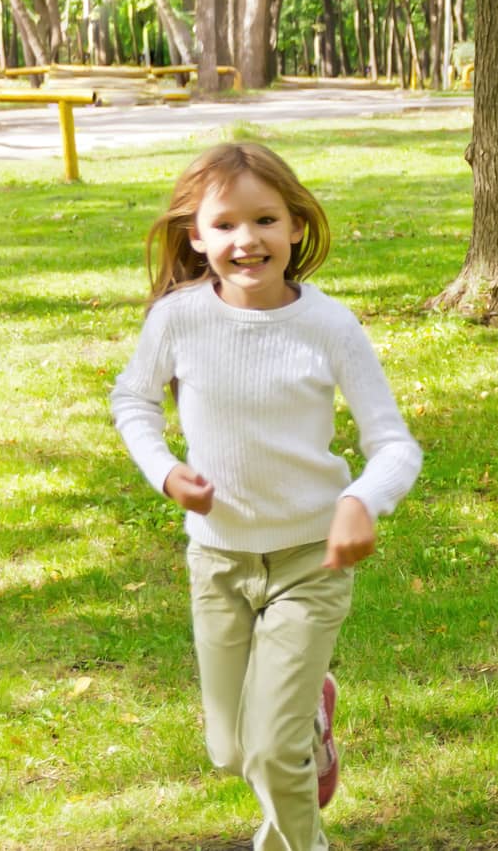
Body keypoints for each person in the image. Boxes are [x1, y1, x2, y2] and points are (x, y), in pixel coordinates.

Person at [111, 142, 422, 851]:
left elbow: (395, 444)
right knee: (231, 749)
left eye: (265, 220)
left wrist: (360, 500)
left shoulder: (330, 325)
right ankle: (309, 716)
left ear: (297, 227)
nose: (246, 240)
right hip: (218, 561)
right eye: (224, 225)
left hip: (310, 560)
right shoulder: (178, 319)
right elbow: (132, 399)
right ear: (196, 235)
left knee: (272, 754)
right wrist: (163, 468)